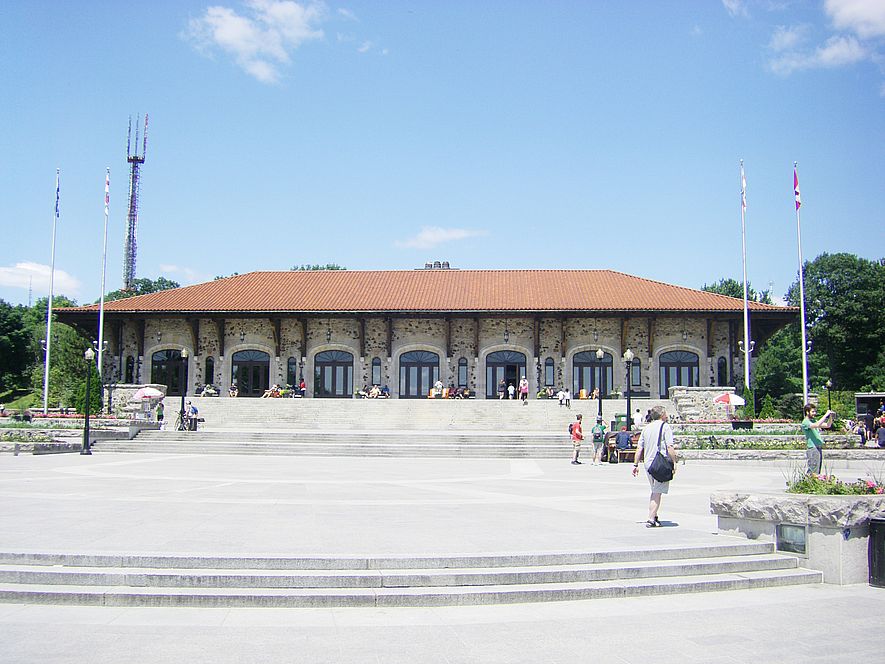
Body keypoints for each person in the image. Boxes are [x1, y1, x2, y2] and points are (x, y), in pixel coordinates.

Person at [632, 405, 676, 528]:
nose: (667, 415)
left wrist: (635, 464)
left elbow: (639, 448)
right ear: (662, 414)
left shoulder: (646, 428)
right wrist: (674, 462)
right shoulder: (665, 427)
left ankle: (654, 515)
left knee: (654, 490)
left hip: (648, 463)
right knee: (657, 492)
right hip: (660, 463)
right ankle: (651, 518)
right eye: (665, 413)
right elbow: (670, 447)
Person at [801, 403, 835, 475]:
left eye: (815, 411)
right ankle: (807, 484)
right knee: (813, 469)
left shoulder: (813, 420)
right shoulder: (805, 422)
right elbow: (816, 425)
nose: (814, 413)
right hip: (812, 448)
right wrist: (825, 415)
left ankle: (814, 483)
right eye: (812, 411)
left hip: (818, 447)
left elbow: (827, 425)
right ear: (807, 412)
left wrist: (830, 417)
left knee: (817, 470)